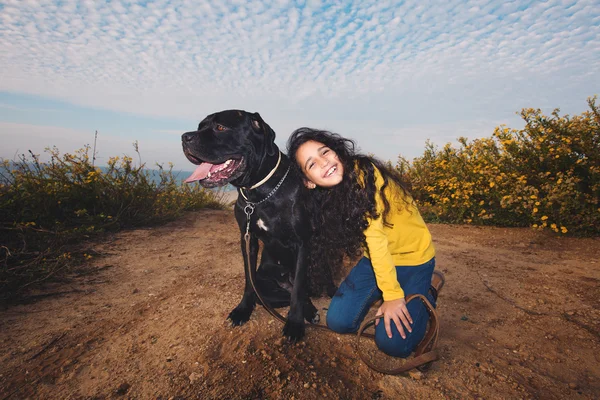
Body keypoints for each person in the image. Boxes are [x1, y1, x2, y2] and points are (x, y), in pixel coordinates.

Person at [286, 128, 444, 358]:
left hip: (414, 258)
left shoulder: (364, 174)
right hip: (376, 261)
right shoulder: (330, 197)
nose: (324, 162)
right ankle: (389, 290)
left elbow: (376, 239)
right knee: (338, 321)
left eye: (325, 152)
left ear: (337, 151)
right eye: (311, 164)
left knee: (393, 345)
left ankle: (427, 292)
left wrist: (392, 296)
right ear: (308, 182)